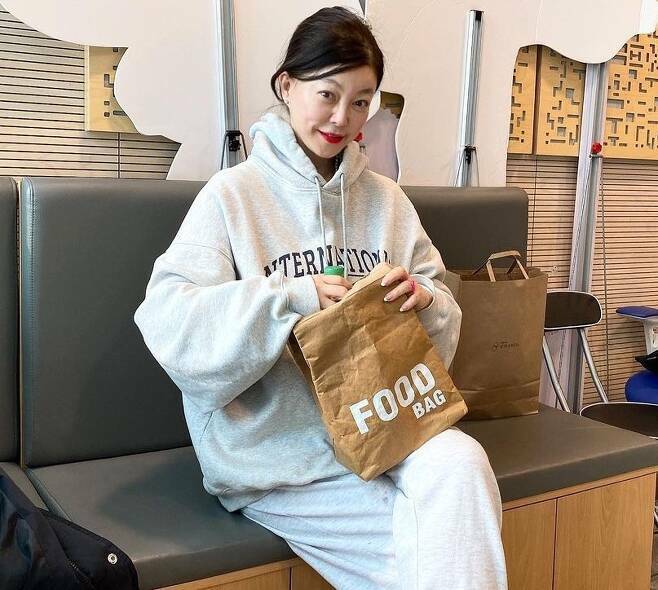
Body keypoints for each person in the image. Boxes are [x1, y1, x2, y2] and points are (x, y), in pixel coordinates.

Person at [134, 6, 507, 589]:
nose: (342, 118)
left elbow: (443, 317)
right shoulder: (231, 197)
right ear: (287, 86)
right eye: (327, 94)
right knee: (436, 554)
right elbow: (169, 319)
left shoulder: (386, 201)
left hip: (389, 427)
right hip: (279, 458)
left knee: (462, 463)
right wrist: (291, 297)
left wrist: (423, 300)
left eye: (361, 102)